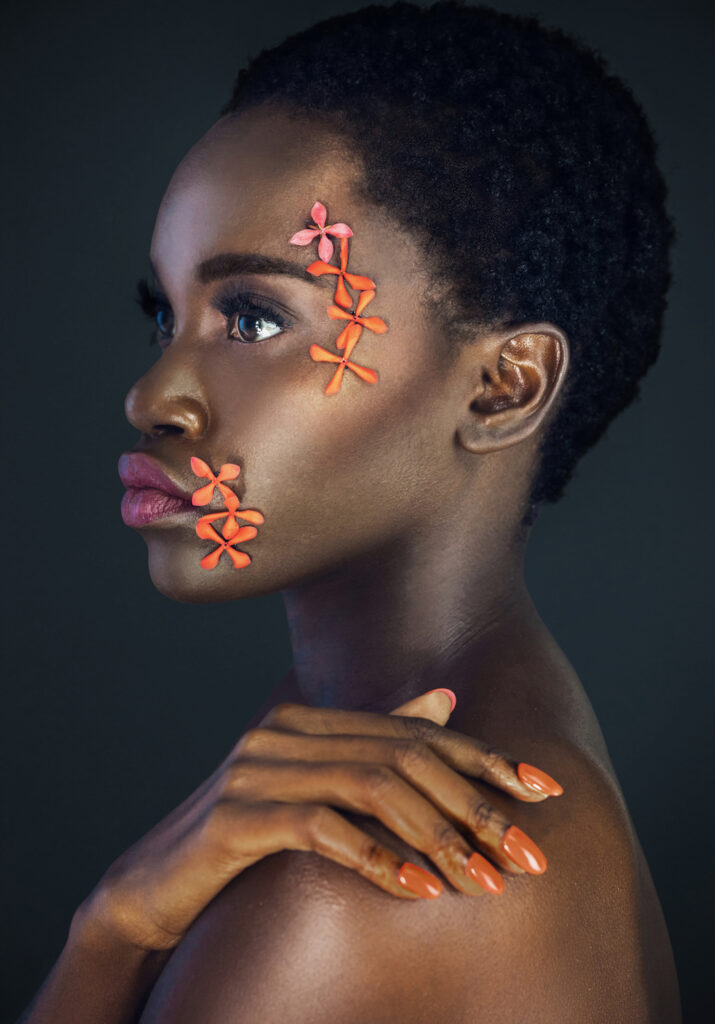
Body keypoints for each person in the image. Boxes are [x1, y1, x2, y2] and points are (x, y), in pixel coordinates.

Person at [17, 2, 681, 1021]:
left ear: (502, 386)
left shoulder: (358, 877)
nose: (153, 397)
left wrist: (113, 929)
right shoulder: (378, 741)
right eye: (165, 314)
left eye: (251, 315)